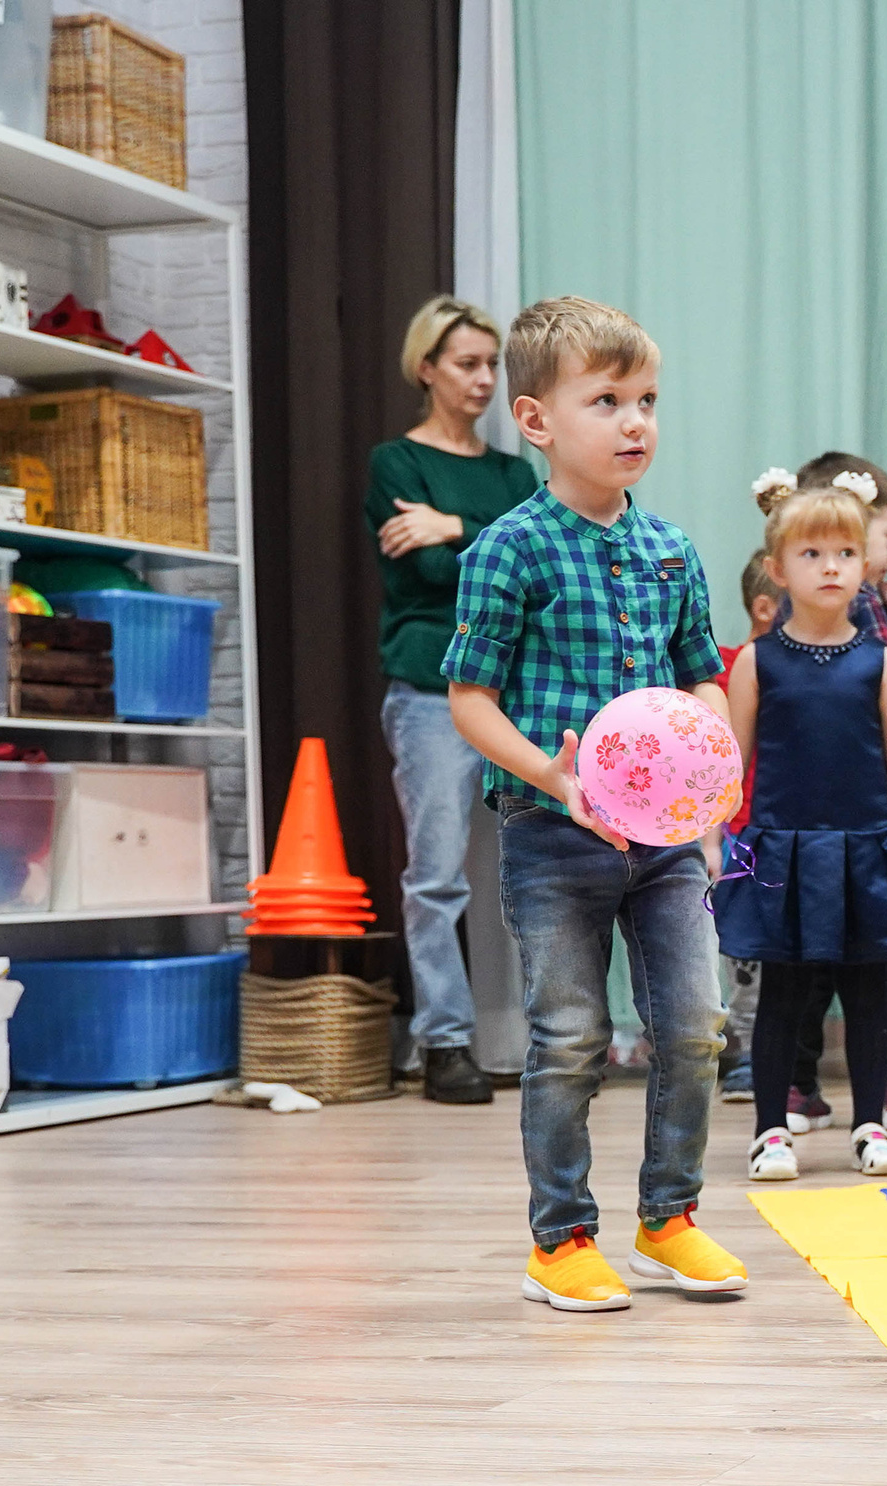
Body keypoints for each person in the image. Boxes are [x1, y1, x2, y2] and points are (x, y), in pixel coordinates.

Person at [442, 295, 747, 1314]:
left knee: (696, 1026)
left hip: (663, 847)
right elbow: (468, 699)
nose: (635, 422)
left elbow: (703, 676)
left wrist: (716, 758)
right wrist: (553, 775)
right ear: (537, 422)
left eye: (648, 400)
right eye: (606, 399)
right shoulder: (510, 550)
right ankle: (560, 1241)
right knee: (569, 1036)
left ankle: (670, 1220)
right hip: (551, 836)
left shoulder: (672, 550)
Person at [716, 470, 887, 1183]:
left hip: (864, 848)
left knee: (868, 987)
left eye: (845, 554)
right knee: (784, 992)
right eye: (812, 554)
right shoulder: (757, 662)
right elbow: (728, 761)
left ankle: (870, 1125)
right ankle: (769, 1130)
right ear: (777, 567)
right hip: (782, 848)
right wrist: (710, 840)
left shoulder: (879, 660)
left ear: (864, 564)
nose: (831, 568)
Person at [365, 297, 538, 1105]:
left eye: (490, 364)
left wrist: (452, 527)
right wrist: (475, 541)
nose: (483, 379)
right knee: (435, 876)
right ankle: (443, 1043)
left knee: (539, 869)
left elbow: (531, 569)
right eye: (466, 363)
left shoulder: (513, 474)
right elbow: (422, 578)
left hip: (515, 695)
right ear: (426, 367)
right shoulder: (394, 465)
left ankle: (543, 1037)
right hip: (429, 692)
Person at [775, 451, 887, 1134]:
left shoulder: (863, 607)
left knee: (834, 953)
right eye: (884, 535)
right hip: (858, 805)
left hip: (861, 803)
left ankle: (806, 1084)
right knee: (874, 950)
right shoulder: (844, 608)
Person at [713, 549, 776, 1104]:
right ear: (764, 607)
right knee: (745, 957)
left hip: (790, 833)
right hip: (740, 835)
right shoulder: (728, 668)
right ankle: (750, 1054)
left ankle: (782, 1060)